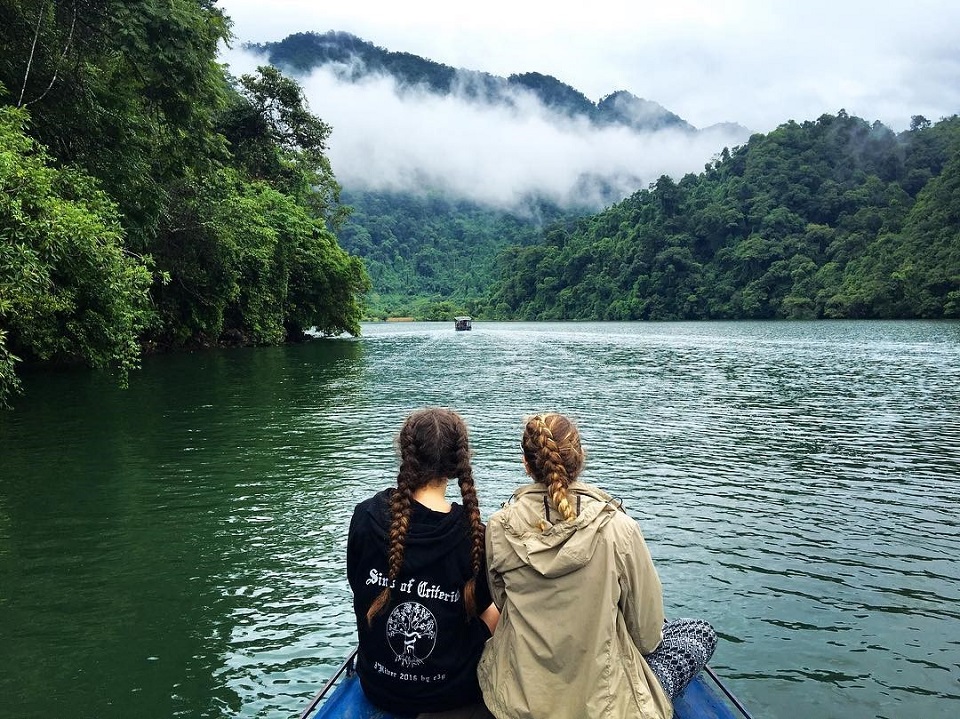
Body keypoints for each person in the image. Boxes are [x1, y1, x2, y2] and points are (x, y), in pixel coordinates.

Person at [477, 412, 717, 719]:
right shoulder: (620, 528)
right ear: (579, 458)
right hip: (604, 706)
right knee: (698, 632)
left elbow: (501, 602)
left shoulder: (498, 528)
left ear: (526, 464)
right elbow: (646, 635)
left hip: (519, 700)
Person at [347, 408, 499, 719]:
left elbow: (356, 583)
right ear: (457, 463)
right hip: (450, 692)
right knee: (497, 603)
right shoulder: (474, 535)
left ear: (405, 453)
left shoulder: (366, 515)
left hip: (377, 685)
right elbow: (483, 604)